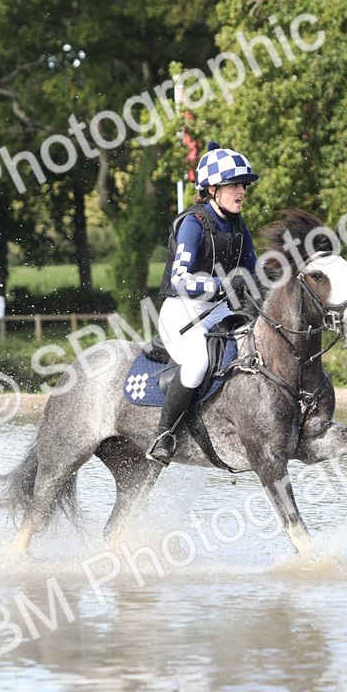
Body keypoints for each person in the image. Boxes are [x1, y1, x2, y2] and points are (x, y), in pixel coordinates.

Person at [146, 141, 259, 464]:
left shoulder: (239, 227)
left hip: (219, 311)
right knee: (197, 363)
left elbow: (256, 275)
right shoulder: (193, 223)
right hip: (182, 311)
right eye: (234, 185)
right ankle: (163, 435)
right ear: (211, 189)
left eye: (243, 185)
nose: (241, 191)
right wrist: (223, 283)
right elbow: (181, 280)